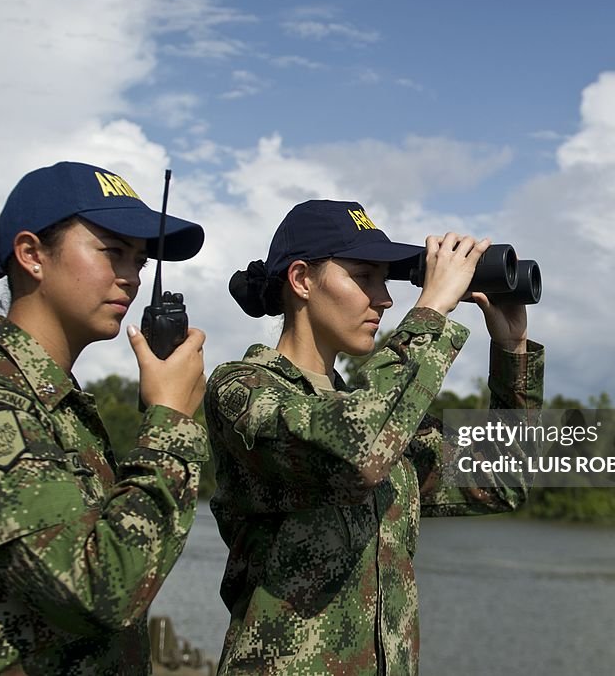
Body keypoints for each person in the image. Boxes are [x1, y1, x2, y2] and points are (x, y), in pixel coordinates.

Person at [0, 161, 209, 673]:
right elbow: (99, 592)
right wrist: (169, 424)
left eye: (140, 260)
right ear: (32, 255)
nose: (132, 278)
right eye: (112, 251)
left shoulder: (54, 406)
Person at [205, 200, 545, 674]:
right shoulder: (242, 389)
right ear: (301, 280)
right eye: (363, 277)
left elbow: (503, 480)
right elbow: (353, 450)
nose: (384, 298)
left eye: (385, 279)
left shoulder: (380, 413)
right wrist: (430, 310)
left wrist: (512, 352)